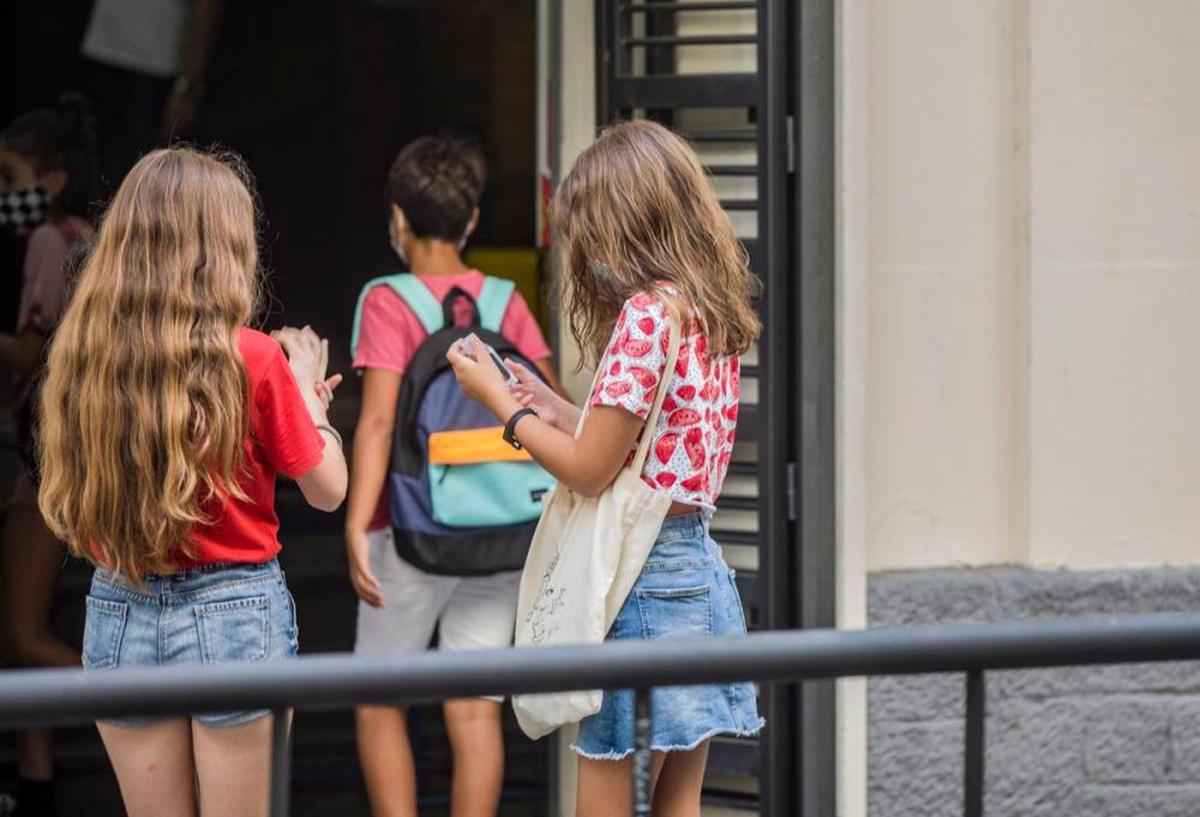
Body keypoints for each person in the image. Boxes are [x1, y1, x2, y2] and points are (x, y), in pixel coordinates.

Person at [447, 119, 765, 817]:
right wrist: (557, 406)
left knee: (606, 780)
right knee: (680, 798)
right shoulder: (705, 310)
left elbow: (592, 471)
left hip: (639, 573)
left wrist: (504, 405)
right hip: (698, 571)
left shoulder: (646, 316)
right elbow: (649, 442)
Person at [36, 147, 348, 817]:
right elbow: (328, 489)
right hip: (235, 611)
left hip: (118, 605)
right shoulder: (256, 358)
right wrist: (311, 404)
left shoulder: (87, 355)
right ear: (226, 245)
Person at [346, 134, 561, 817]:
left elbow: (378, 422)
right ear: (470, 221)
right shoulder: (505, 299)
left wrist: (355, 522)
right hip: (502, 527)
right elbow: (546, 402)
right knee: (474, 712)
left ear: (398, 219)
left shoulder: (386, 299)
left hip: (409, 535)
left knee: (380, 699)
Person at [0, 93, 100, 817]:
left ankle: (143, 698)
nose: (5, 196)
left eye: (10, 179)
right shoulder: (92, 235)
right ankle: (35, 780)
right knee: (24, 630)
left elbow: (32, 349)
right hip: (80, 442)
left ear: (52, 178)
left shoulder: (45, 241)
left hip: (44, 454)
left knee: (23, 632)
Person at [80, 0, 226, 188]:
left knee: (128, 178)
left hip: (152, 70)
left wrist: (187, 86)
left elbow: (206, 12)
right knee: (76, 167)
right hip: (97, 53)